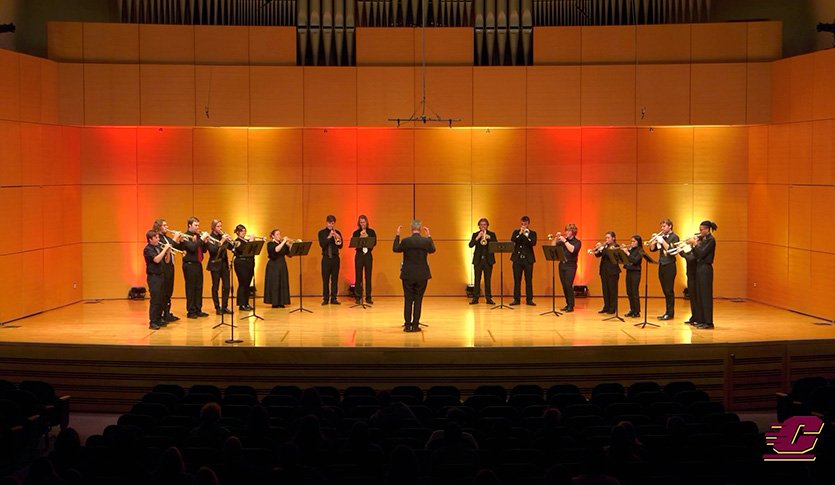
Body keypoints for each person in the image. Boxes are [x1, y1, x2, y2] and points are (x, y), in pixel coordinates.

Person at [393, 220, 436, 332]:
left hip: (408, 274)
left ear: (411, 229)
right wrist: (429, 236)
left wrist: (397, 234)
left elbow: (395, 249)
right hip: (422, 275)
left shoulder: (406, 241)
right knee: (418, 300)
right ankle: (415, 325)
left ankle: (407, 326)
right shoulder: (425, 241)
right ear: (420, 228)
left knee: (408, 300)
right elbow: (433, 249)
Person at [153, 219, 184, 322]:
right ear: (159, 227)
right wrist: (175, 239)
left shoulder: (166, 238)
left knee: (169, 291)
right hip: (163, 268)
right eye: (164, 225)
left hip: (170, 266)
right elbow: (169, 246)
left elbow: (176, 247)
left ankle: (167, 313)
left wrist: (181, 240)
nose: (167, 227)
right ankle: (161, 314)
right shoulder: (159, 239)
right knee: (164, 292)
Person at [648, 218, 679, 321]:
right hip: (661, 265)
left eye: (664, 226)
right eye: (661, 226)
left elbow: (671, 250)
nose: (662, 228)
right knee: (665, 290)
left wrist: (662, 241)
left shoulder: (675, 237)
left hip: (670, 265)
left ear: (670, 226)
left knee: (669, 290)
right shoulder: (662, 237)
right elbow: (652, 249)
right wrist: (654, 240)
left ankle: (670, 313)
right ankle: (667, 312)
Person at [690, 221, 717, 329]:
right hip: (699, 267)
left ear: (707, 229)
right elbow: (697, 254)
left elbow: (702, 253)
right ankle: (701, 320)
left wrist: (696, 244)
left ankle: (709, 322)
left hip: (706, 268)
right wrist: (693, 245)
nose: (700, 232)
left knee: (705, 295)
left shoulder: (711, 240)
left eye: (701, 230)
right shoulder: (703, 239)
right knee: (699, 294)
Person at [181, 217, 210, 319]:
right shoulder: (185, 236)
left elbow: (204, 251)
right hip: (189, 264)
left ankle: (198, 309)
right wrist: (201, 240)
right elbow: (192, 248)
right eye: (195, 225)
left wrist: (205, 241)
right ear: (189, 226)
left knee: (199, 287)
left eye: (198, 225)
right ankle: (191, 311)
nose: (198, 227)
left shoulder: (198, 236)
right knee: (191, 288)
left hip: (198, 264)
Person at [144, 229, 173, 330]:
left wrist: (168, 252)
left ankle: (159, 319)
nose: (158, 239)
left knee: (161, 299)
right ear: (150, 239)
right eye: (156, 237)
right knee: (155, 300)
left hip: (161, 276)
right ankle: (153, 322)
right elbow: (156, 260)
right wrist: (165, 249)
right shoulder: (148, 249)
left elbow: (166, 260)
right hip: (153, 277)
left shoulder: (158, 248)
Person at [206, 219, 233, 315]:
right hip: (215, 264)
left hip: (224, 264)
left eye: (221, 226)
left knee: (226, 286)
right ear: (213, 227)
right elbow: (213, 251)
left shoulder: (222, 236)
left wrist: (229, 240)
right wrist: (221, 241)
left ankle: (225, 306)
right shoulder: (210, 237)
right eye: (218, 226)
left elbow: (231, 247)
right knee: (215, 286)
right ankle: (217, 307)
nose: (220, 228)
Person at [510, 215, 537, 306]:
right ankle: (516, 299)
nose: (524, 225)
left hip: (528, 260)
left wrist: (525, 235)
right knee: (517, 280)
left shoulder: (532, 233)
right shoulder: (516, 232)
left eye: (525, 223)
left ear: (528, 223)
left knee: (528, 280)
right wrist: (520, 234)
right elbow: (513, 240)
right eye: (522, 223)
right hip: (517, 259)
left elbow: (532, 243)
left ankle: (529, 300)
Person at [468, 217, 496, 305]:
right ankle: (475, 298)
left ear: (487, 226)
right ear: (479, 226)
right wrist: (477, 237)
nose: (483, 226)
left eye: (485, 224)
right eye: (481, 225)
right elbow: (470, 245)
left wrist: (489, 238)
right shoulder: (475, 234)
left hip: (488, 260)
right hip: (478, 260)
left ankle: (488, 298)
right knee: (477, 280)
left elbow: (496, 245)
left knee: (488, 280)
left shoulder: (492, 234)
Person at [554, 223, 581, 312]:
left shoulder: (577, 242)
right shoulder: (562, 241)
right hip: (562, 265)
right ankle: (567, 303)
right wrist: (556, 238)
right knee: (564, 286)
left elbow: (572, 250)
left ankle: (571, 305)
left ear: (573, 232)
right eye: (566, 230)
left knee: (568, 285)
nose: (566, 232)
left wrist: (565, 241)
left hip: (571, 266)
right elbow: (553, 246)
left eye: (568, 230)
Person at [592, 231, 621, 315]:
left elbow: (608, 254)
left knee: (612, 290)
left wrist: (602, 248)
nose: (607, 239)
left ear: (613, 238)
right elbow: (597, 255)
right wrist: (597, 248)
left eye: (608, 238)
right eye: (606, 238)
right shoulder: (606, 246)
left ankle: (612, 308)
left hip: (613, 271)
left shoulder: (615, 246)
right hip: (604, 271)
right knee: (605, 290)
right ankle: (606, 306)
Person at [318, 215, 343, 305]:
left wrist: (337, 236)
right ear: (326, 222)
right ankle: (325, 298)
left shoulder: (337, 232)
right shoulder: (321, 233)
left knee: (335, 279)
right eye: (329, 223)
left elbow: (340, 245)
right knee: (325, 279)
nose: (331, 225)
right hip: (326, 259)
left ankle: (334, 298)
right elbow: (322, 245)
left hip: (335, 258)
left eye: (332, 223)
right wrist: (329, 237)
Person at [352, 214, 377, 304]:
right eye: (361, 222)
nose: (362, 224)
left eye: (364, 222)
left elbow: (374, 243)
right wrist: (360, 237)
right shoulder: (356, 232)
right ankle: (358, 297)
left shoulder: (371, 232)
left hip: (368, 255)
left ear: (366, 222)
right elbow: (354, 243)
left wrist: (366, 235)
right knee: (358, 277)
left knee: (368, 276)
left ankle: (368, 297)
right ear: (359, 223)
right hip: (359, 255)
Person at [264, 229, 292, 308]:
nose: (279, 236)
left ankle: (282, 302)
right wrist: (284, 242)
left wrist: (289, 246)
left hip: (282, 265)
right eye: (277, 234)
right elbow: (276, 250)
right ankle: (275, 303)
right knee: (275, 283)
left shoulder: (282, 244)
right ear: (273, 236)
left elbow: (289, 254)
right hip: (273, 265)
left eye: (279, 234)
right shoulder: (270, 244)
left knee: (282, 282)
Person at [232, 224, 256, 311]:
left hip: (249, 263)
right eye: (242, 231)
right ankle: (241, 304)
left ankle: (246, 303)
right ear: (237, 232)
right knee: (242, 283)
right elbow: (243, 250)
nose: (244, 232)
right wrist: (251, 241)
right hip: (241, 264)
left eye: (244, 230)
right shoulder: (237, 241)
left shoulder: (246, 240)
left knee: (247, 284)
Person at [622, 235, 643, 318]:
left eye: (634, 241)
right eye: (631, 241)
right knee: (629, 291)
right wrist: (624, 252)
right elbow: (626, 259)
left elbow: (635, 260)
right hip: (629, 271)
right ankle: (632, 309)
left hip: (636, 272)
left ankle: (637, 311)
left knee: (634, 292)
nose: (632, 243)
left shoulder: (640, 250)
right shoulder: (631, 249)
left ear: (638, 242)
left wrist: (627, 252)